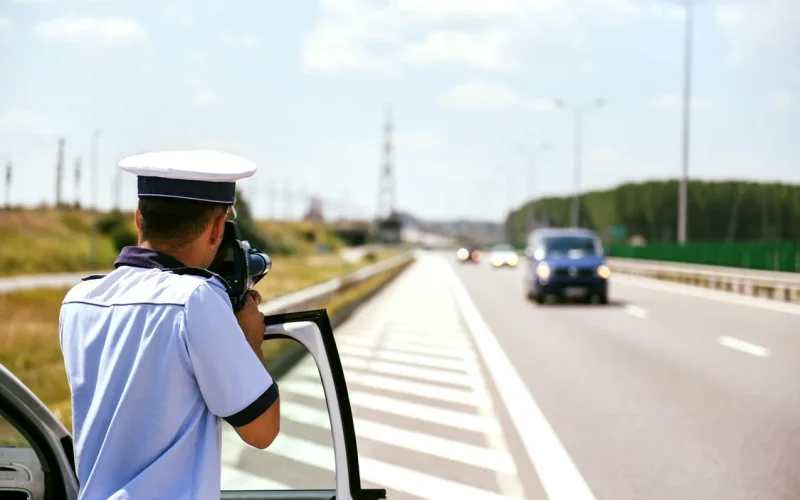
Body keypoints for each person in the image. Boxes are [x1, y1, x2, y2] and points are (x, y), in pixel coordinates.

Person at [59, 150, 281, 499]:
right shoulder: (196, 299)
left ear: (138, 219)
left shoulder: (78, 300)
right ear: (217, 228)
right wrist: (251, 341)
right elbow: (262, 431)